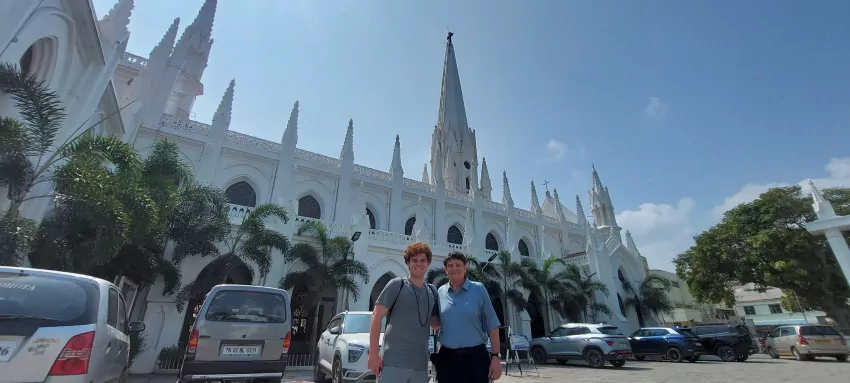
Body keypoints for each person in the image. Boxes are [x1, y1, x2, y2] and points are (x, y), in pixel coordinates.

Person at [368, 241, 440, 383]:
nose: (419, 264)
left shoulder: (432, 291)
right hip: (393, 363)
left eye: (423, 260)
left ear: (428, 263)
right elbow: (376, 316)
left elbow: (435, 323)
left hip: (420, 366)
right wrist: (373, 354)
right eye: (414, 260)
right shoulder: (397, 285)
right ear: (407, 263)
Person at [434, 251, 502, 382]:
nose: (454, 268)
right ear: (445, 269)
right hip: (448, 358)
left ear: (465, 267)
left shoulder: (478, 289)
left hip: (475, 358)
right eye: (450, 265)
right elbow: (436, 321)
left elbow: (492, 325)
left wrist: (495, 357)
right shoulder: (440, 292)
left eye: (458, 265)